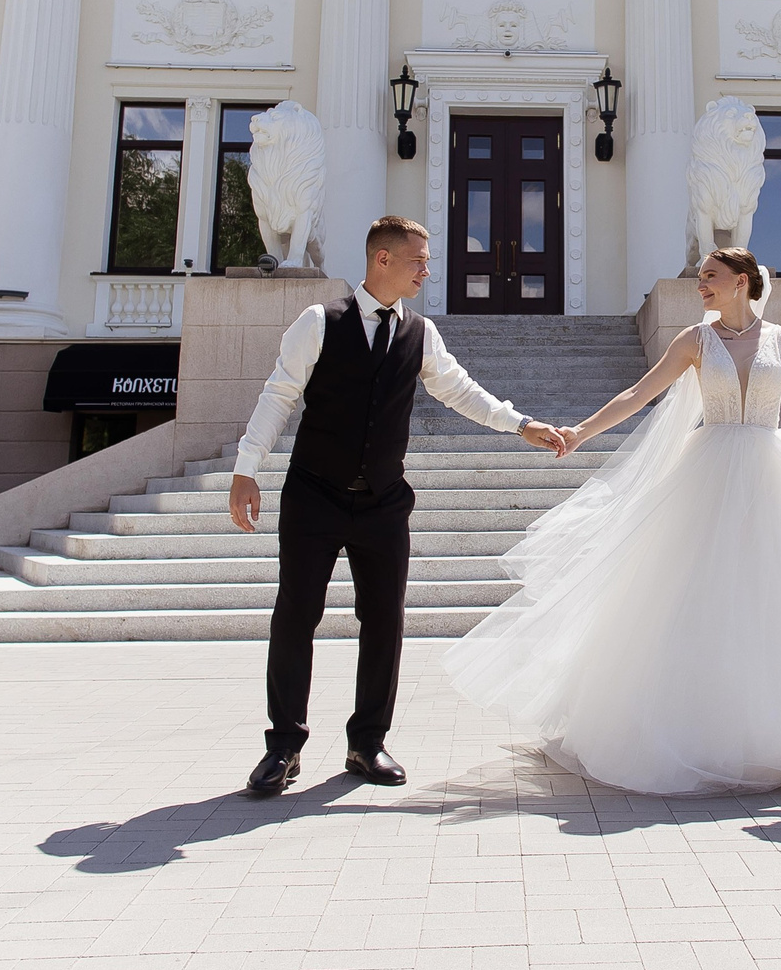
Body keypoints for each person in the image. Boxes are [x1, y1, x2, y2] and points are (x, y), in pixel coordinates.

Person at [444, 248, 781, 796]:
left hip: (770, 476)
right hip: (707, 471)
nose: (701, 286)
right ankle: (696, 729)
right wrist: (579, 433)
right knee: (697, 594)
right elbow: (639, 394)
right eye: (701, 279)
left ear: (742, 282)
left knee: (780, 595)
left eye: (710, 278)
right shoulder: (694, 340)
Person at [229, 215, 569, 797]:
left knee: (383, 622)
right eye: (418, 259)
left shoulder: (421, 333)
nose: (426, 268)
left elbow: (459, 389)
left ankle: (367, 743)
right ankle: (283, 746)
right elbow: (279, 394)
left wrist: (520, 424)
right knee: (296, 617)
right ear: (381, 260)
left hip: (384, 502)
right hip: (313, 494)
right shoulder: (318, 322)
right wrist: (245, 469)